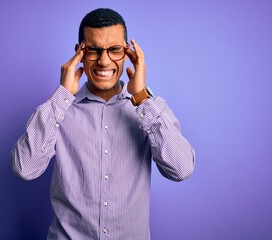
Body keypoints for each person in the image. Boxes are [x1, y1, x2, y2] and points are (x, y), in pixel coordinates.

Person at [11, 8, 195, 240]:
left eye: (114, 49)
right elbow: (24, 169)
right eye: (93, 50)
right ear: (79, 52)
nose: (104, 60)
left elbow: (181, 169)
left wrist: (142, 97)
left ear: (127, 52)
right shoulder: (58, 110)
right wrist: (62, 95)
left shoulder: (148, 110)